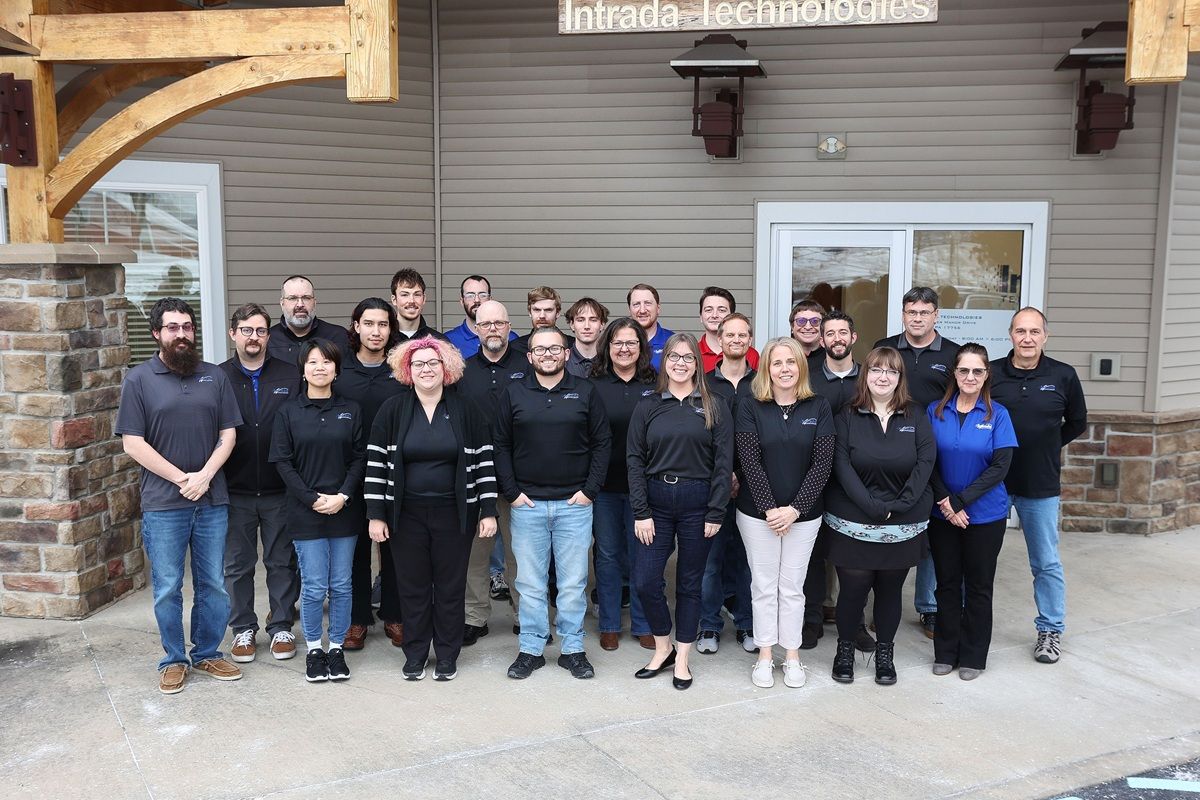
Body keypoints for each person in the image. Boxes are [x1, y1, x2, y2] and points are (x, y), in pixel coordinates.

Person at [117, 298, 244, 694]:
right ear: (157, 333)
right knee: (168, 586)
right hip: (163, 504)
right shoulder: (139, 379)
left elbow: (228, 434)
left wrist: (204, 476)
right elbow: (133, 443)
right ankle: (173, 659)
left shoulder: (213, 376)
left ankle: (207, 653)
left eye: (187, 326)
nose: (182, 334)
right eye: (173, 327)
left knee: (213, 583)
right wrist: (182, 479)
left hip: (211, 499)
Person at [365, 336, 498, 681]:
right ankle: (415, 653)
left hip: (455, 514)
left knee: (451, 587)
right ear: (407, 370)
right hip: (405, 515)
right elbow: (376, 464)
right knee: (413, 588)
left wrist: (487, 509)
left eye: (433, 363)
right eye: (418, 364)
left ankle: (448, 654)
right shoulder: (392, 410)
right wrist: (376, 514)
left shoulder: (467, 410)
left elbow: (484, 462)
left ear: (446, 368)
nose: (426, 369)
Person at [494, 328, 612, 680]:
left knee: (573, 583)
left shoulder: (585, 391)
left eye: (555, 348)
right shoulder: (514, 393)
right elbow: (500, 444)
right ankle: (531, 649)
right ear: (529, 356)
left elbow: (602, 443)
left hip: (574, 505)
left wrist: (589, 490)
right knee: (530, 583)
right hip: (527, 505)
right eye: (540, 349)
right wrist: (512, 492)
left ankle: (573, 649)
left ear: (566, 353)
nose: (548, 354)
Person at [823, 347, 936, 686]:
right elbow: (841, 464)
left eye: (891, 371)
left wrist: (902, 503)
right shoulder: (847, 415)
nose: (883, 377)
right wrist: (871, 505)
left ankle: (885, 653)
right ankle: (845, 650)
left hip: (903, 520)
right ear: (865, 374)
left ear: (900, 378)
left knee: (890, 589)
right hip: (853, 518)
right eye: (876, 370)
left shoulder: (915, 415)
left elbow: (926, 461)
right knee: (853, 590)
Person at [627, 333, 732, 690]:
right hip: (655, 502)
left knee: (689, 583)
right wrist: (640, 511)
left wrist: (716, 512)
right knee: (645, 581)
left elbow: (723, 464)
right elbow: (634, 460)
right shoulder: (648, 405)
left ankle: (683, 658)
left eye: (688, 357)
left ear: (697, 364)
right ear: (664, 361)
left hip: (698, 503)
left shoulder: (714, 405)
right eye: (674, 356)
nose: (681, 363)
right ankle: (663, 648)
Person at [990, 307, 1087, 664]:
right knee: (978, 558)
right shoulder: (992, 373)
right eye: (1020, 331)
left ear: (1045, 336)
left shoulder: (1063, 375)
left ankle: (1050, 629)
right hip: (993, 483)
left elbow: (1077, 421)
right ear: (1011, 335)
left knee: (1045, 562)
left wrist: (1047, 444)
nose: (1027, 338)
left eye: (1034, 332)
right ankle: (967, 622)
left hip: (1040, 484)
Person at [735, 337, 834, 688]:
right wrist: (770, 509)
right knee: (763, 586)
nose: (785, 369)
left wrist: (794, 510)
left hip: (804, 517)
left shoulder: (819, 406)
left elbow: (823, 463)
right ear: (767, 368)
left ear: (801, 367)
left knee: (792, 587)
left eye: (791, 362)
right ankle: (764, 655)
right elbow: (749, 461)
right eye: (777, 363)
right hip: (756, 514)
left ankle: (792, 656)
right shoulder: (750, 406)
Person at [268, 339, 366, 682]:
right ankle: (314, 650)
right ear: (303, 369)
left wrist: (343, 496)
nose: (319, 367)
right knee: (312, 586)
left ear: (336, 369)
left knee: (341, 584)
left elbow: (359, 458)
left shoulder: (351, 409)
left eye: (326, 361)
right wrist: (311, 498)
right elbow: (283, 462)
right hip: (305, 511)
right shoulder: (288, 412)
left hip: (344, 510)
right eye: (312, 362)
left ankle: (336, 648)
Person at [927, 343, 1018, 681]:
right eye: (964, 370)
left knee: (978, 587)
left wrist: (960, 501)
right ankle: (945, 651)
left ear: (986, 374)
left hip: (985, 516)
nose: (970, 377)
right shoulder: (935, 411)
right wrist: (946, 503)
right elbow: (926, 461)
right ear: (954, 373)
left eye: (977, 371)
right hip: (942, 515)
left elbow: (1000, 467)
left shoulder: (998, 414)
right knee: (947, 584)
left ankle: (974, 656)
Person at [874, 286, 960, 639]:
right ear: (903, 315)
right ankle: (880, 608)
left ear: (936, 315)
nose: (918, 318)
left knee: (932, 531)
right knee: (884, 530)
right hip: (887, 450)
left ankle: (928, 606)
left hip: (935, 452)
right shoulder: (887, 348)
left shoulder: (952, 354)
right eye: (912, 312)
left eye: (925, 312)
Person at [220, 303, 302, 664]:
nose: (254, 337)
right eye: (247, 330)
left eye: (261, 331)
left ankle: (281, 625)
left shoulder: (290, 375)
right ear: (233, 334)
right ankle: (243, 629)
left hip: (279, 488)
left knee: (282, 561)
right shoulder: (217, 377)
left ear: (269, 335)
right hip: (234, 489)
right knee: (238, 564)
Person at [337, 298, 406, 650]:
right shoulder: (341, 369)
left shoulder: (401, 370)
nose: (376, 331)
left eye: (382, 324)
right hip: (349, 474)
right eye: (369, 323)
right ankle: (358, 619)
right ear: (356, 326)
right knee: (355, 550)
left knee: (395, 548)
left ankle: (395, 615)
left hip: (394, 473)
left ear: (390, 328)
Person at [804, 310, 874, 653]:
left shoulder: (869, 380)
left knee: (853, 557)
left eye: (842, 333)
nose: (836, 339)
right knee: (814, 554)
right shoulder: (809, 380)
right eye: (830, 333)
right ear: (821, 340)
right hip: (815, 479)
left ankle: (855, 623)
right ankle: (812, 618)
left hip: (858, 482)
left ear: (853, 337)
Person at [458, 300, 526, 646]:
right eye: (486, 324)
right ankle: (474, 617)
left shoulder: (527, 365)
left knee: (522, 553)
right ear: (476, 329)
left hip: (521, 476)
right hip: (476, 477)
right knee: (475, 552)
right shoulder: (463, 371)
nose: (493, 329)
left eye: (499, 323)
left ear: (509, 327)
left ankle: (525, 616)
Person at [589, 318, 659, 650]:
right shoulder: (594, 385)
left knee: (642, 555)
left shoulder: (656, 384)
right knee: (607, 555)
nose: (624, 349)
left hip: (644, 487)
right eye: (618, 342)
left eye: (631, 342)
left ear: (641, 348)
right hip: (604, 486)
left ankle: (644, 623)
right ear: (608, 347)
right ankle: (609, 623)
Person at [697, 313, 756, 655]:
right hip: (711, 487)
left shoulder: (762, 384)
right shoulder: (704, 384)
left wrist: (741, 475)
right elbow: (698, 438)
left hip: (753, 487)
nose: (736, 340)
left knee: (747, 561)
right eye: (729, 335)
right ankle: (709, 624)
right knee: (710, 561)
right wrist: (722, 476)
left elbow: (766, 437)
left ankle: (746, 623)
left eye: (742, 335)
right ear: (719, 340)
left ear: (750, 340)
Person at [267, 275, 349, 367]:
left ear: (314, 302)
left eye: (306, 298)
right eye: (293, 298)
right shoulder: (268, 340)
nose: (300, 304)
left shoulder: (339, 337)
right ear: (282, 303)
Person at [444, 275, 516, 358]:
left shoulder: (511, 338)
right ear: (462, 301)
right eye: (470, 295)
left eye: (482, 295)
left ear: (490, 299)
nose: (477, 300)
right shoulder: (448, 341)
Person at [698, 286, 759, 373]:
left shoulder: (751, 355)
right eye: (708, 310)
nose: (714, 315)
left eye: (721, 310)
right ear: (701, 316)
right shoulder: (693, 353)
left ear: (732, 316)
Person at [511, 286, 575, 353]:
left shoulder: (573, 346)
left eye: (548, 310)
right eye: (537, 310)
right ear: (530, 312)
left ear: (558, 313)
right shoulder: (515, 348)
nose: (542, 316)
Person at [389, 268, 447, 341]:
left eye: (417, 295)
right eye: (405, 295)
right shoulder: (384, 339)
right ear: (394, 300)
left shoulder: (438, 341)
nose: (411, 301)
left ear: (424, 299)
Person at [628, 283, 674, 369]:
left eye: (648, 303)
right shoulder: (620, 343)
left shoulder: (672, 341)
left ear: (658, 308)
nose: (642, 310)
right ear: (629, 310)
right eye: (636, 304)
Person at [566, 297, 608, 378]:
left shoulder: (611, 361)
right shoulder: (562, 361)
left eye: (593, 320)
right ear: (572, 325)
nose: (587, 326)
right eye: (580, 320)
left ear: (602, 324)